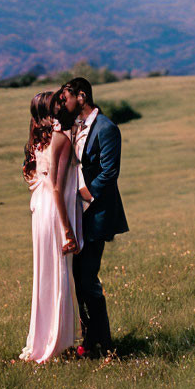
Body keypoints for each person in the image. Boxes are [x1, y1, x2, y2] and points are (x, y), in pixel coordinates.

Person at [55, 77, 128, 356]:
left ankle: (104, 343)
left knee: (87, 279)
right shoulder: (73, 128)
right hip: (77, 216)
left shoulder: (107, 128)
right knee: (77, 279)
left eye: (67, 98)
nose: (64, 103)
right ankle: (91, 339)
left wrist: (84, 196)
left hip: (97, 214)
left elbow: (110, 172)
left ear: (82, 96)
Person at [19, 91, 82, 363]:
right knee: (57, 273)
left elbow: (38, 178)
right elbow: (57, 187)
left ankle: (45, 339)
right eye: (56, 102)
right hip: (54, 210)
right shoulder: (59, 138)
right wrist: (68, 229)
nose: (61, 105)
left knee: (45, 273)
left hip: (40, 208)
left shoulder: (39, 140)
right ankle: (56, 342)